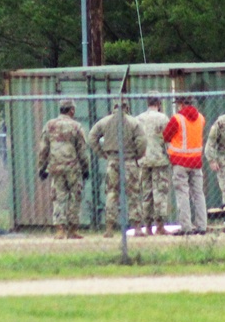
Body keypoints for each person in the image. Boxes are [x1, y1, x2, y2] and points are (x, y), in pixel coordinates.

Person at [88, 101, 147, 237]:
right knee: (133, 194)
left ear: (113, 108)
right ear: (127, 107)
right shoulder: (134, 122)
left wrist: (101, 153)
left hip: (113, 161)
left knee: (112, 193)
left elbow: (92, 137)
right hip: (129, 160)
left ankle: (109, 228)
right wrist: (138, 155)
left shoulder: (104, 122)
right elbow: (142, 142)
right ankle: (137, 227)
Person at [38, 99, 91, 240]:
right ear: (71, 110)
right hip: (73, 167)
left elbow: (43, 149)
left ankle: (60, 230)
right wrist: (86, 168)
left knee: (58, 197)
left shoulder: (49, 126)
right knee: (75, 197)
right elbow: (82, 150)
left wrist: (41, 167)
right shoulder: (76, 127)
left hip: (55, 167)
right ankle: (72, 230)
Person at [163, 95, 207, 235]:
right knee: (198, 194)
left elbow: (166, 136)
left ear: (181, 104)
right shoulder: (201, 118)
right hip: (196, 162)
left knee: (183, 194)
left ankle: (186, 227)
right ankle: (202, 226)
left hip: (180, 163)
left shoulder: (177, 119)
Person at [136, 93, 172, 235]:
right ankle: (160, 225)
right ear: (159, 103)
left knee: (146, 193)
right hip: (159, 159)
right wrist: (170, 156)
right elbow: (168, 139)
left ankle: (147, 226)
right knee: (160, 192)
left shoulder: (139, 119)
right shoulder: (163, 118)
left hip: (143, 159)